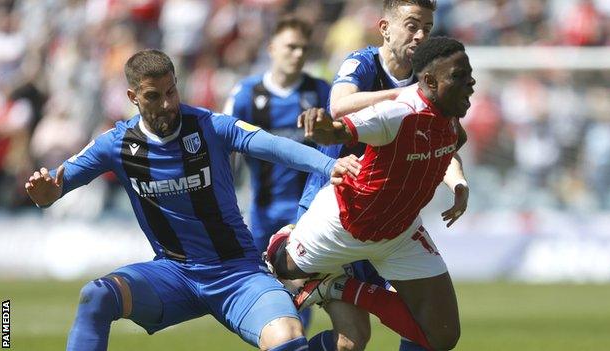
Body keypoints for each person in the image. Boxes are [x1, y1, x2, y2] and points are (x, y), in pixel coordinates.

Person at [24, 49, 360, 351]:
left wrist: (330, 164)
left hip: (237, 273)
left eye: (171, 91)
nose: (167, 104)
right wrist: (45, 193)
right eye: (154, 96)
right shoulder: (116, 144)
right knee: (97, 295)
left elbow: (275, 146)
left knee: (288, 336)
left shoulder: (210, 126)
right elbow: (55, 185)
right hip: (174, 276)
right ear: (133, 97)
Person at [266, 37, 476, 351]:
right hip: (346, 221)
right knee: (283, 265)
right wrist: (320, 125)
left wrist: (458, 184)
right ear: (430, 81)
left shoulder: (451, 120)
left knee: (442, 336)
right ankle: (285, 239)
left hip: (400, 232)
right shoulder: (396, 113)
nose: (471, 82)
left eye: (469, 73)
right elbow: (339, 130)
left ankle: (335, 286)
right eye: (460, 76)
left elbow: (445, 148)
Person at [223, 16, 330, 265]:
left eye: (304, 48)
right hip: (262, 210)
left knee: (300, 287)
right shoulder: (246, 95)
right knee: (261, 281)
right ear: (271, 49)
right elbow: (224, 149)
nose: (298, 54)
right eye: (291, 47)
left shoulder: (320, 92)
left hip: (307, 210)